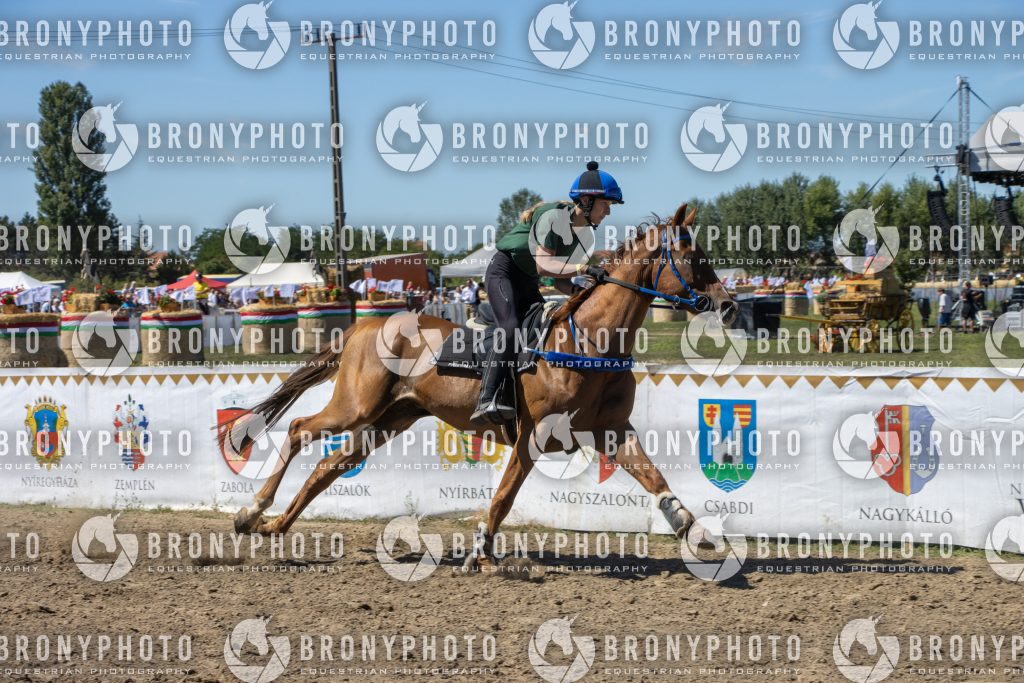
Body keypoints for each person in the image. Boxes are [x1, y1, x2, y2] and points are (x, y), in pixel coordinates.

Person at [470, 161, 622, 425]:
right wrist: (585, 267)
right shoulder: (554, 218)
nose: (608, 211)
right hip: (503, 274)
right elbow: (544, 265)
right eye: (605, 204)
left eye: (610, 206)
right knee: (511, 328)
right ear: (586, 201)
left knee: (544, 327)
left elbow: (558, 280)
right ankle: (487, 397)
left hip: (528, 281)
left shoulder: (585, 236)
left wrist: (581, 290)